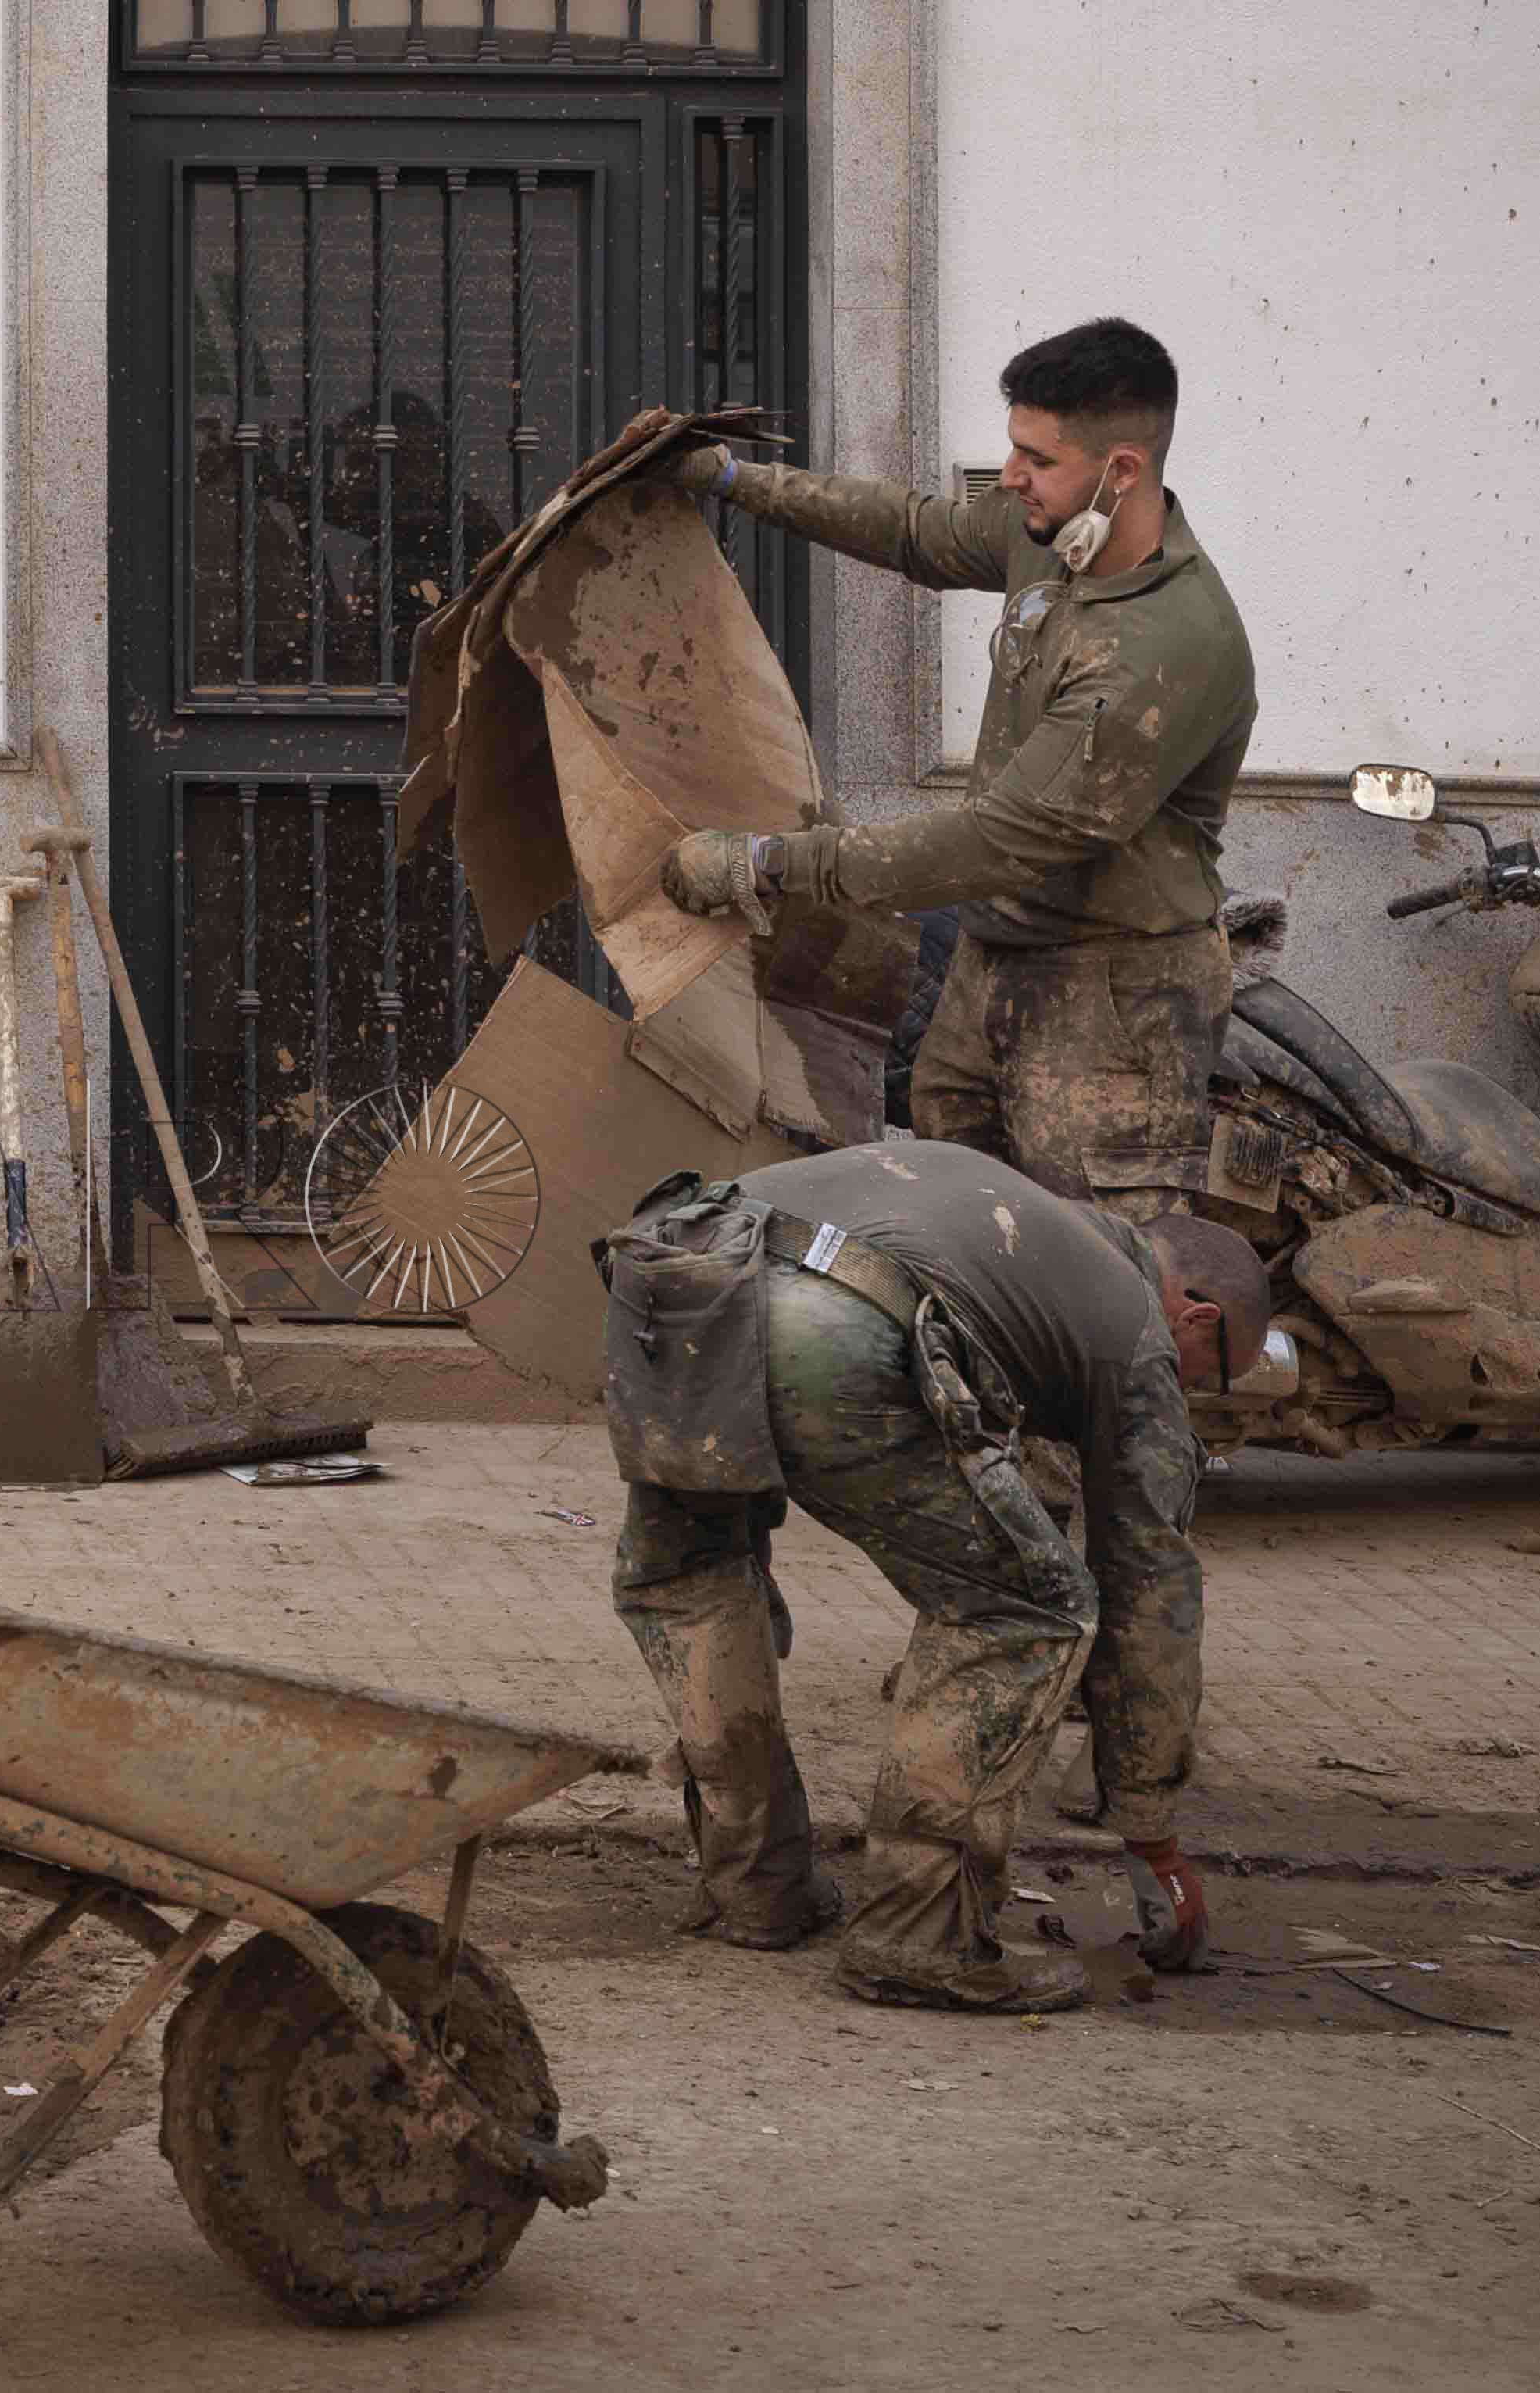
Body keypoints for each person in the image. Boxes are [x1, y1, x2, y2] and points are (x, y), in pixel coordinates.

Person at [595, 1140, 1267, 2013]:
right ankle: (917, 1932)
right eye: (1214, 1379)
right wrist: (1152, 1833)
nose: (1195, 1395)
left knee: (694, 1577)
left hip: (669, 1275)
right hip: (821, 1314)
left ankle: (757, 1887)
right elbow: (1150, 1582)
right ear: (1199, 1318)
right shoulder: (1136, 1329)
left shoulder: (1030, 1227)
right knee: (1027, 1611)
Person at [652, 318, 1256, 1224]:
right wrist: (738, 480)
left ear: (1122, 470)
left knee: (1097, 1260)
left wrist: (766, 863)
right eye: (1014, 448)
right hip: (994, 959)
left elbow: (995, 841)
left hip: (1111, 1001)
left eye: (1037, 459)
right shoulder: (1054, 536)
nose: (1011, 475)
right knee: (962, 1231)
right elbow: (916, 530)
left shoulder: (1163, 648)